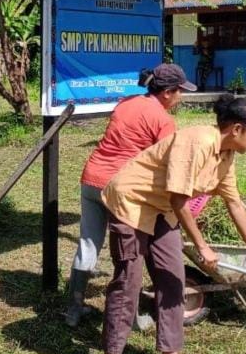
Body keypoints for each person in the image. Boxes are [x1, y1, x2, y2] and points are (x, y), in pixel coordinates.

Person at [96, 96, 246, 354]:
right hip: (132, 202)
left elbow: (235, 204)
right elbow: (179, 199)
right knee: (128, 280)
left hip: (161, 209)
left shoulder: (226, 155)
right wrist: (202, 246)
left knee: (173, 278)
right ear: (236, 129)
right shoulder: (198, 142)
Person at [65, 62, 195, 327]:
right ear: (167, 92)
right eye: (180, 91)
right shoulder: (163, 120)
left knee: (88, 243)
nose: (181, 97)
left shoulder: (126, 103)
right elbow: (169, 164)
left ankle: (73, 310)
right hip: (122, 188)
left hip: (91, 179)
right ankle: (133, 318)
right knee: (129, 253)